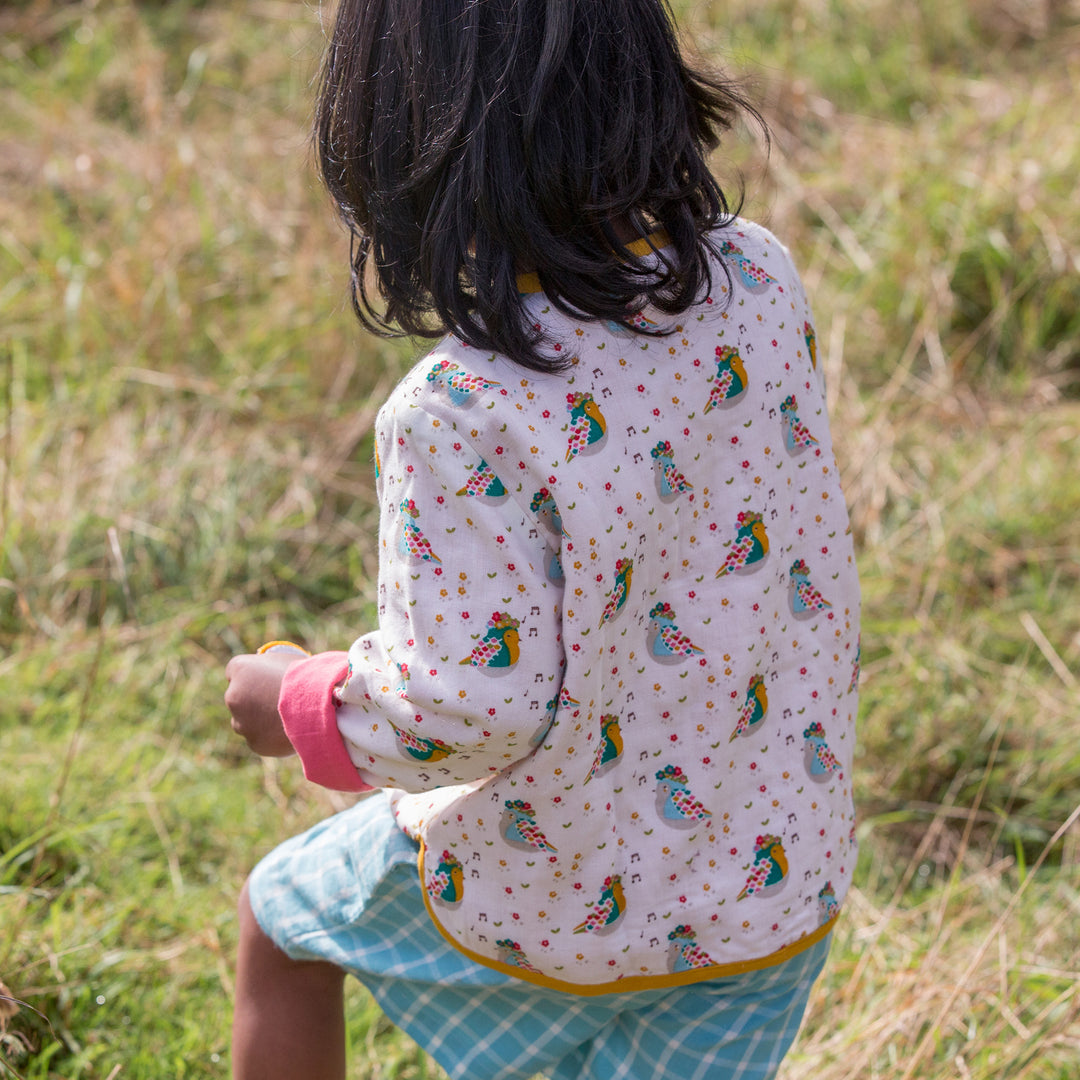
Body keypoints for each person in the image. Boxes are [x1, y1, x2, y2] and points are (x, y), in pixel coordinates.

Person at [223, 1, 860, 1077]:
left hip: (546, 897)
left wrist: (296, 699)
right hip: (768, 886)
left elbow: (468, 709)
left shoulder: (465, 411)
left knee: (284, 925)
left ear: (400, 140)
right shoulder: (757, 279)